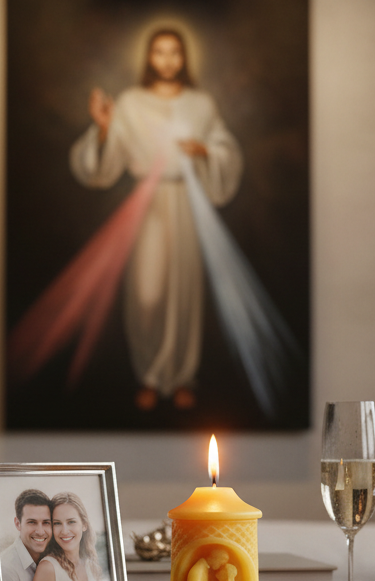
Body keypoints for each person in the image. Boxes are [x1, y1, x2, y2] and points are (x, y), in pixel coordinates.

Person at [70, 27, 243, 411]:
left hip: (186, 200)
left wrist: (206, 152)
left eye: (175, 52)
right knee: (147, 293)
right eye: (160, 52)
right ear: (149, 57)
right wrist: (103, 127)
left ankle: (181, 377)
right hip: (148, 202)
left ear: (184, 58)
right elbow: (104, 162)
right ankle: (149, 374)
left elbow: (225, 148)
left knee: (183, 290)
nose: (167, 60)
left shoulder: (201, 104)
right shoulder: (131, 102)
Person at [30, 492, 114, 581]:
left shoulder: (91, 565)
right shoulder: (48, 568)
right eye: (57, 523)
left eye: (71, 522)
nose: (64, 530)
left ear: (84, 524)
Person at [0, 489, 53, 581]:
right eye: (32, 522)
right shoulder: (6, 569)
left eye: (46, 523)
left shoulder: (52, 561)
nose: (40, 531)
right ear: (18, 523)